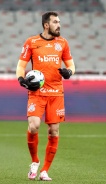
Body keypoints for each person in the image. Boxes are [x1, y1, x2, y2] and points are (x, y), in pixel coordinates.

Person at [16, 11, 75, 181]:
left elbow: (71, 65)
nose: (59, 25)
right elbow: (21, 65)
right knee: (34, 125)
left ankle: (44, 171)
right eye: (55, 22)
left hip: (56, 92)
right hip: (37, 92)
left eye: (59, 22)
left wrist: (68, 72)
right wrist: (21, 79)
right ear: (46, 25)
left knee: (53, 130)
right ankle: (34, 161)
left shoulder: (62, 43)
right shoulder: (32, 42)